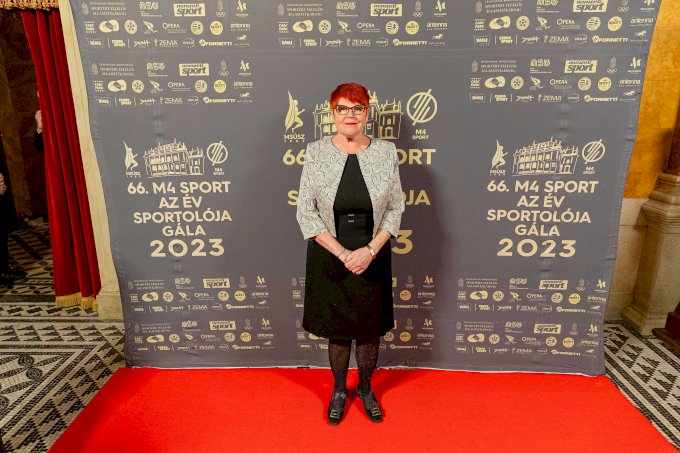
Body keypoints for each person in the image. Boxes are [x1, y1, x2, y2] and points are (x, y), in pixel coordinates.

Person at [296, 82, 405, 425]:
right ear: (332, 113)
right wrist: (344, 253)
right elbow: (306, 212)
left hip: (373, 253)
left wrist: (370, 250)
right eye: (342, 108)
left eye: (357, 108)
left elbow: (396, 208)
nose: (350, 115)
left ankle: (367, 389)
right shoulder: (315, 152)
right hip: (330, 253)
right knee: (339, 330)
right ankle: (340, 390)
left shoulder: (386, 152)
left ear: (367, 113)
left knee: (369, 329)